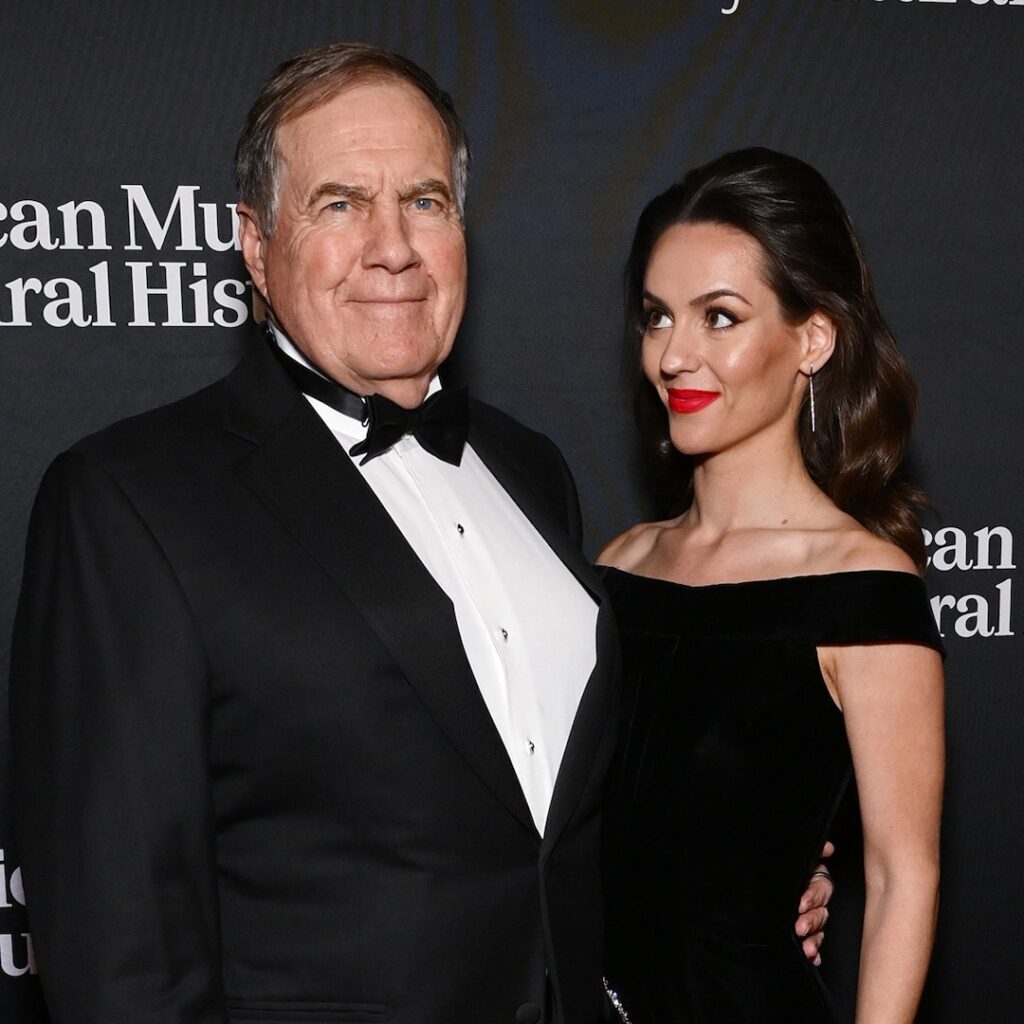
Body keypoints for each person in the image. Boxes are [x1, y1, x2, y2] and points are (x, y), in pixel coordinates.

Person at [9, 47, 830, 1024]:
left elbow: (547, 819)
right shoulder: (130, 500)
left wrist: (732, 872)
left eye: (425, 201)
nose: (393, 247)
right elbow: (119, 954)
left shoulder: (531, 469)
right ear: (255, 245)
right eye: (341, 203)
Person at [598, 148, 944, 1024]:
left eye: (720, 317)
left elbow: (902, 877)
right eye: (657, 316)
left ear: (813, 340)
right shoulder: (619, 569)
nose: (675, 355)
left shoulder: (863, 590)